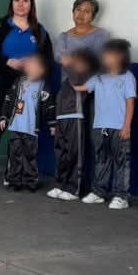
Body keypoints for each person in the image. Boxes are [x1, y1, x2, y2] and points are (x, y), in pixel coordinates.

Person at [0, 0, 54, 187]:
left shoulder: (39, 30)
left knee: (23, 130)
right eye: (16, 0)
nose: (20, 4)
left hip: (29, 88)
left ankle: (14, 174)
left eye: (25, 0)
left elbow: (48, 60)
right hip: (4, 82)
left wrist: (33, 64)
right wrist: (7, 61)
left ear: (31, 4)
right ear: (11, 3)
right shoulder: (1, 25)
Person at [51, 0, 109, 202]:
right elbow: (62, 57)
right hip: (68, 92)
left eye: (87, 11)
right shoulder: (63, 36)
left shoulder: (101, 35)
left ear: (93, 15)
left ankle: (75, 187)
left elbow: (97, 63)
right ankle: (61, 182)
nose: (81, 14)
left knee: (81, 140)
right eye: (78, 9)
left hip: (91, 92)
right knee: (63, 138)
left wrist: (78, 60)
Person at [80, 38, 136, 209]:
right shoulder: (98, 77)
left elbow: (130, 102)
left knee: (121, 161)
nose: (104, 57)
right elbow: (81, 87)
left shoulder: (127, 77)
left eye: (108, 54)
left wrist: (127, 126)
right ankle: (99, 192)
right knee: (101, 160)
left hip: (119, 128)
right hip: (99, 127)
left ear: (120, 56)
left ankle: (121, 196)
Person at [49, 47, 98, 201]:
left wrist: (68, 64)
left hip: (75, 118)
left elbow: (77, 82)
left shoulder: (85, 76)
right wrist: (55, 122)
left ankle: (73, 188)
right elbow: (59, 99)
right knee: (61, 153)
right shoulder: (66, 80)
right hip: (62, 119)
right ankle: (60, 184)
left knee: (74, 154)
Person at [0, 56, 51, 192]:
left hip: (31, 129)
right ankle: (14, 181)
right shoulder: (19, 82)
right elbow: (8, 99)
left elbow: (49, 106)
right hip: (15, 126)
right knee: (14, 155)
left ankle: (29, 181)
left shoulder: (43, 86)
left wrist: (53, 124)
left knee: (29, 156)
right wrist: (3, 117)